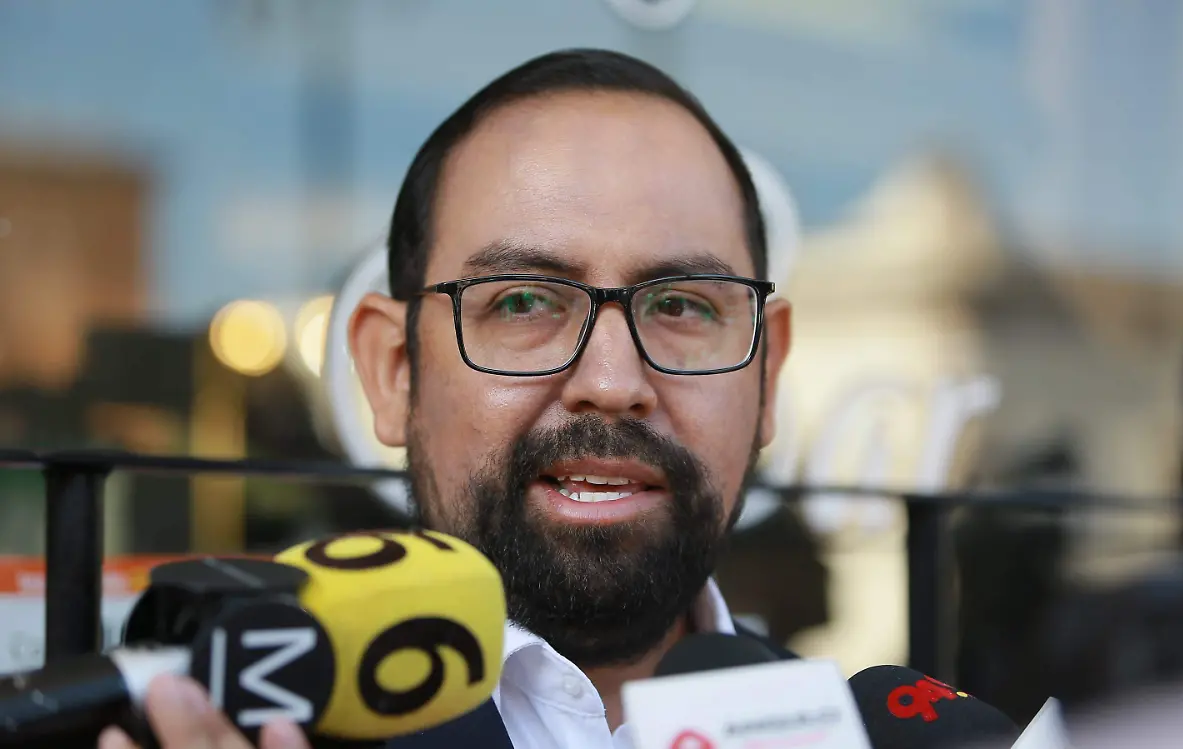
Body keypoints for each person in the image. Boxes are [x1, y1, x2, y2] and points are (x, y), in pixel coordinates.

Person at [98, 47, 794, 749]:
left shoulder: (843, 729)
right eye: (523, 302)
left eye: (681, 306)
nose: (612, 384)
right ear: (394, 370)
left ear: (767, 374)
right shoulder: (213, 730)